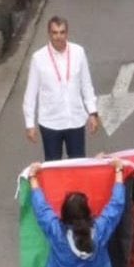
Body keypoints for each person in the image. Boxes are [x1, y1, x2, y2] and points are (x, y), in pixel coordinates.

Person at [23, 16, 101, 161]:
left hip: (75, 120)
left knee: (78, 166)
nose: (59, 37)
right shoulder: (38, 58)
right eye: (55, 33)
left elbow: (86, 84)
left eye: (62, 32)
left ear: (67, 33)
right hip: (51, 123)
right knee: (53, 168)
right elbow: (30, 94)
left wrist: (93, 112)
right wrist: (29, 124)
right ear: (49, 34)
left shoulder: (78, 52)